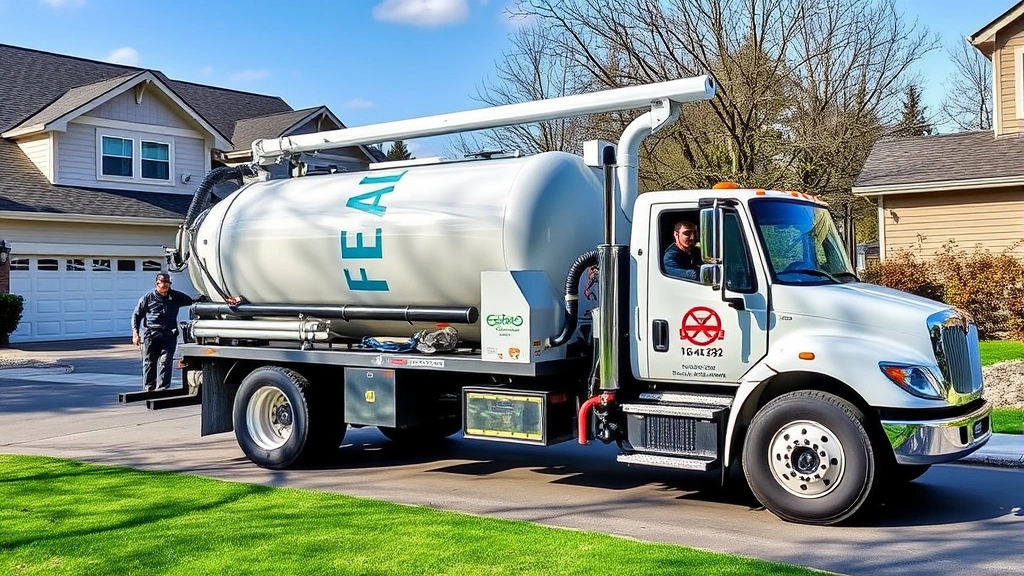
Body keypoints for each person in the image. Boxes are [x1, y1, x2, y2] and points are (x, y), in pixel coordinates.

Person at [130, 272, 196, 391]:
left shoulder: (175, 296)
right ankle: (149, 387)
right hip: (151, 334)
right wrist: (135, 333)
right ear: (157, 283)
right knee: (150, 362)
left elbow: (192, 301)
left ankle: (163, 388)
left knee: (166, 360)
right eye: (162, 282)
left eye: (167, 282)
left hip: (169, 334)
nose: (165, 285)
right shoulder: (148, 298)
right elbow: (136, 315)